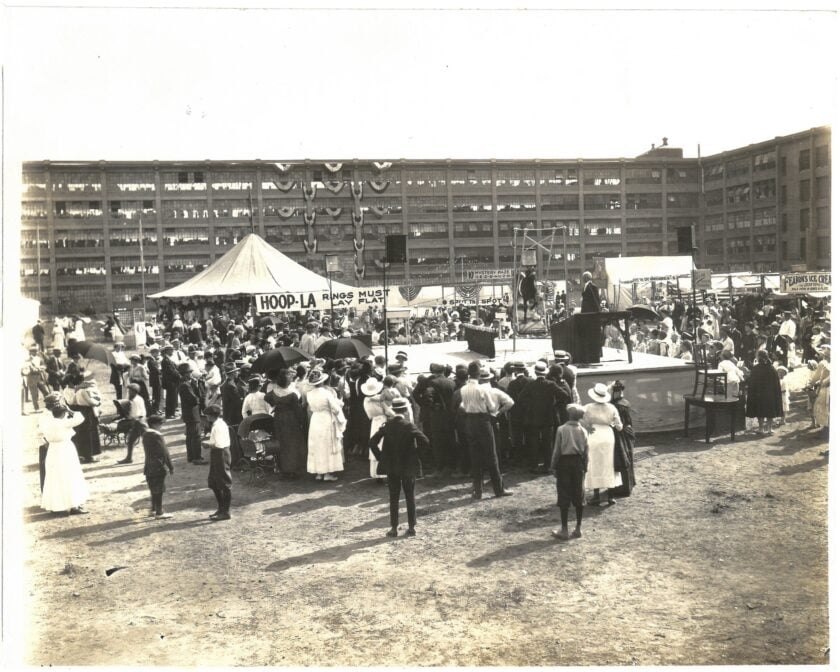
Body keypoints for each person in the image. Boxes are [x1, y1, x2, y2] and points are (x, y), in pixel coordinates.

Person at [369, 397, 429, 537]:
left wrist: (381, 457)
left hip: (391, 466)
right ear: (405, 409)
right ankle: (412, 527)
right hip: (408, 466)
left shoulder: (387, 425)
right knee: (410, 497)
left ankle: (394, 528)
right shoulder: (409, 426)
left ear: (393, 409)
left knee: (393, 497)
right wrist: (417, 455)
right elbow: (425, 441)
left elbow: (372, 442)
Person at [460, 360, 512, 500]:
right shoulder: (482, 389)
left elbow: (463, 406)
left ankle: (478, 490)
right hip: (483, 421)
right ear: (478, 373)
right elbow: (492, 407)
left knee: (475, 456)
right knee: (492, 455)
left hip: (470, 421)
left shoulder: (464, 389)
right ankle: (498, 489)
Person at [517, 361, 571, 474]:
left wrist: (530, 406)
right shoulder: (551, 384)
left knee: (534, 442)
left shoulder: (530, 384)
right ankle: (548, 466)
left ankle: (534, 466)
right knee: (548, 442)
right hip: (548, 416)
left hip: (534, 417)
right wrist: (555, 403)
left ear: (536, 373)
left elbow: (520, 398)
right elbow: (565, 395)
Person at [40, 397, 89, 515]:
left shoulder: (47, 421)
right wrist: (69, 410)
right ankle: (73, 505)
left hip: (52, 450)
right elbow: (80, 417)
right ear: (63, 414)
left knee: (55, 477)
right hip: (65, 449)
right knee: (70, 476)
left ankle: (58, 507)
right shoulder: (64, 422)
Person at [550, 403, 589, 540]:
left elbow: (557, 450)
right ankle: (578, 528)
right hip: (578, 463)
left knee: (564, 493)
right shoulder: (583, 431)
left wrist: (553, 466)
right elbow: (586, 452)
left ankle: (564, 529)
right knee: (579, 493)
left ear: (569, 415)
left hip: (564, 462)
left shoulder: (561, 429)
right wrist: (585, 467)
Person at [582, 383, 623, 506]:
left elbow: (582, 421)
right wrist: (614, 426)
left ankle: (596, 495)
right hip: (607, 435)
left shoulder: (588, 407)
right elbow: (619, 426)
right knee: (608, 463)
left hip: (594, 435)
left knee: (594, 463)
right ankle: (610, 496)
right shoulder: (611, 408)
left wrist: (589, 429)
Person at [266, 370, 308, 478]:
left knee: (282, 443)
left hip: (279, 419)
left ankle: (283, 468)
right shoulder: (292, 395)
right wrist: (301, 421)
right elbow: (298, 411)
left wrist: (276, 405)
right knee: (292, 443)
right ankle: (292, 469)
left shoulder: (274, 392)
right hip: (291, 419)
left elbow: (267, 398)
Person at [306, 369, 346, 482]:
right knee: (327, 444)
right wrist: (340, 407)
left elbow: (311, 408)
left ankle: (319, 472)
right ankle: (327, 473)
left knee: (317, 444)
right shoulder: (326, 393)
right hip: (326, 418)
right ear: (322, 381)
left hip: (315, 419)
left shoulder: (309, 394)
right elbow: (335, 409)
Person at [203, 404, 232, 520]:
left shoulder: (218, 426)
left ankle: (226, 512)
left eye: (207, 415)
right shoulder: (217, 424)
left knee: (224, 483)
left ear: (211, 416)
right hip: (216, 454)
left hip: (221, 454)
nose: (206, 418)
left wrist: (207, 444)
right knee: (214, 482)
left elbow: (218, 444)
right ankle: (221, 509)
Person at [142, 415, 174, 520]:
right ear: (155, 424)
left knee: (152, 488)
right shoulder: (157, 435)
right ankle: (159, 512)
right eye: (160, 424)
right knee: (159, 489)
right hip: (158, 465)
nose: (161, 426)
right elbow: (164, 452)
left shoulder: (145, 434)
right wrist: (170, 466)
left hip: (148, 465)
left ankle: (153, 509)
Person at [745, 350, 784, 435]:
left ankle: (761, 428)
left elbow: (752, 382)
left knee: (760, 410)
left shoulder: (756, 368)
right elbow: (776, 383)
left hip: (759, 393)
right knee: (770, 410)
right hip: (770, 393)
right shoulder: (771, 368)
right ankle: (769, 429)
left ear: (758, 357)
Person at [608, 380, 636, 499]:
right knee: (628, 458)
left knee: (620, 459)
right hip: (627, 432)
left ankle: (621, 488)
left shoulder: (614, 406)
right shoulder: (625, 402)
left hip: (618, 434)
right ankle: (629, 484)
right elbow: (629, 422)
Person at [362, 377, 391, 481]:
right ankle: (386, 472)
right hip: (383, 420)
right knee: (384, 445)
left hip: (374, 422)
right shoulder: (381, 399)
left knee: (375, 444)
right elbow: (388, 411)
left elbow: (369, 415)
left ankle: (376, 473)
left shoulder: (366, 400)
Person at [178, 363, 206, 465]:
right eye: (189, 372)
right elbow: (194, 400)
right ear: (185, 374)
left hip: (188, 413)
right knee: (196, 436)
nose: (191, 374)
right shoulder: (186, 385)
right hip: (192, 413)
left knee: (190, 436)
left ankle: (191, 456)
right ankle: (197, 457)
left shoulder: (184, 384)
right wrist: (197, 387)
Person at [22, 346, 50, 412]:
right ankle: (36, 408)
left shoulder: (39, 358)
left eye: (35, 351)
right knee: (34, 394)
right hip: (31, 379)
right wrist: (38, 369)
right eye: (33, 351)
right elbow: (29, 370)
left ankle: (48, 405)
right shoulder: (27, 360)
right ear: (30, 352)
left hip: (39, 378)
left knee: (46, 392)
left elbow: (44, 366)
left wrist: (40, 368)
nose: (35, 352)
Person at [810, 346, 830, 434]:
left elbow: (818, 377)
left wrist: (814, 383)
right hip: (825, 386)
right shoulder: (826, 364)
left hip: (827, 388)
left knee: (825, 405)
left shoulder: (823, 364)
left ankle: (828, 426)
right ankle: (826, 425)